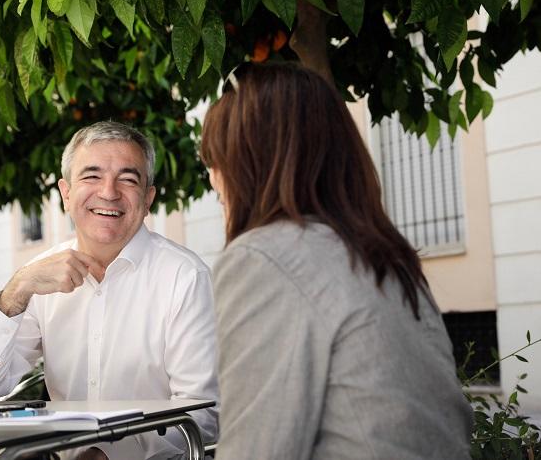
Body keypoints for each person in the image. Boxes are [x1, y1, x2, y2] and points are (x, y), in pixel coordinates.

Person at [200, 62, 473, 459]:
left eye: (217, 157)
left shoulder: (262, 259)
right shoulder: (384, 254)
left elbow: (257, 449)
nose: (212, 178)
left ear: (252, 160)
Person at [0, 121, 219, 459]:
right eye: (91, 176)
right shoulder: (40, 276)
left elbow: (203, 414)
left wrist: (111, 454)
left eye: (128, 178)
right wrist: (16, 290)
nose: (108, 192)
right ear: (65, 192)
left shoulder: (185, 277)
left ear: (148, 198)